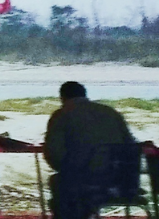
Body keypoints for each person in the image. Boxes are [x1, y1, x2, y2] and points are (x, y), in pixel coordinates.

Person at [45, 80, 135, 219]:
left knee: (59, 183)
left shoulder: (62, 115)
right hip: (120, 182)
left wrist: (69, 167)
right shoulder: (110, 112)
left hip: (82, 182)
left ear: (62, 97)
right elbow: (130, 146)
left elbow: (54, 154)